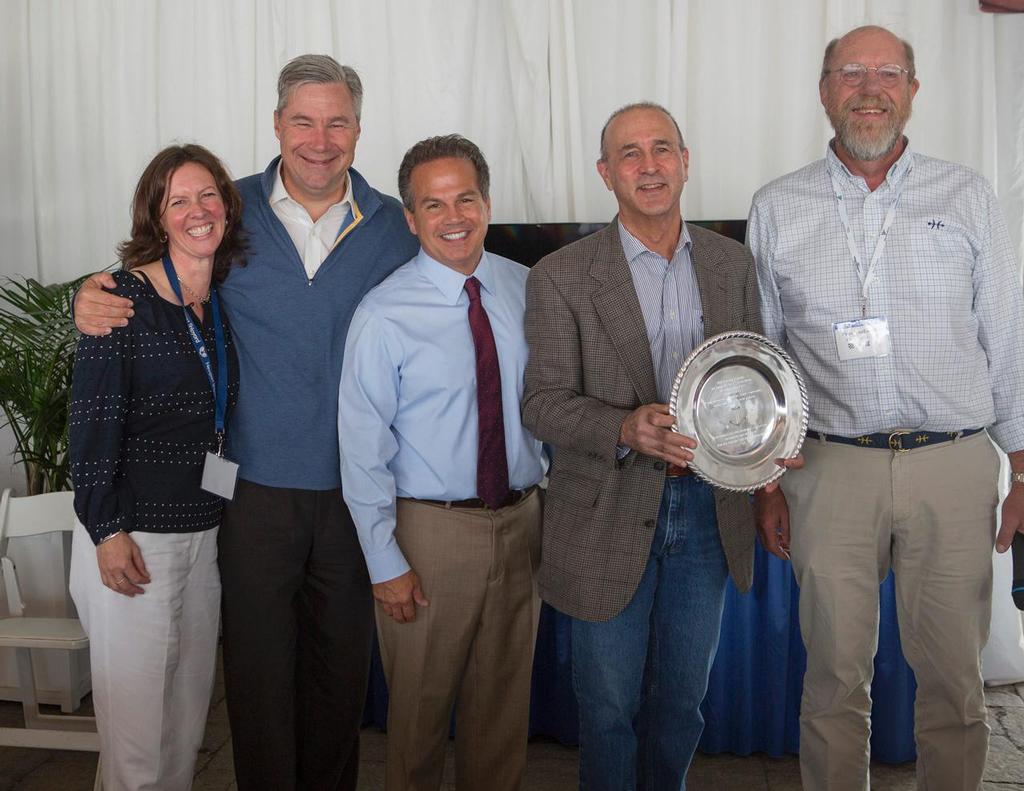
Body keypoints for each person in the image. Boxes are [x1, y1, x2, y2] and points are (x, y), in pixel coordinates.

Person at [72, 55, 419, 791]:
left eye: (336, 123)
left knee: (337, 687)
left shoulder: (396, 226)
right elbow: (158, 269)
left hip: (357, 494)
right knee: (258, 686)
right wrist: (90, 293)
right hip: (253, 493)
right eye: (303, 121)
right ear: (276, 125)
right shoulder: (232, 211)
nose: (319, 139)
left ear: (359, 130)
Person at [748, 25, 1024, 791]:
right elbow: (766, 354)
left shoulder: (966, 195)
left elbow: (1007, 335)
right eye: (850, 72)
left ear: (912, 90)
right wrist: (768, 481)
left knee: (954, 681)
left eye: (888, 72)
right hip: (830, 468)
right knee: (834, 677)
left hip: (953, 464)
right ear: (824, 89)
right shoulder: (776, 206)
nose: (869, 88)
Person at [522, 102, 797, 790]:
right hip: (606, 511)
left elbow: (755, 382)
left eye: (662, 149)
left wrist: (768, 474)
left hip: (708, 513)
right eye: (631, 154)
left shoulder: (733, 264)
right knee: (608, 705)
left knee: (681, 703)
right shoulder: (561, 274)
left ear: (684, 160)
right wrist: (623, 427)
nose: (649, 166)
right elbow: (541, 403)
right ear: (605, 172)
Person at [338, 135, 545, 791]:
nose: (453, 216)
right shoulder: (383, 313)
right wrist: (383, 561)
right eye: (433, 204)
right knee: (420, 725)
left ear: (486, 202)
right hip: (429, 535)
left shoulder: (528, 289)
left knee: (501, 718)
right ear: (410, 217)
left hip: (520, 525)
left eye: (465, 198)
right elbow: (362, 447)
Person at [68, 143, 244, 791]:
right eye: (178, 200)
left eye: (207, 195)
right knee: (136, 747)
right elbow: (88, 426)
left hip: (202, 533)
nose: (197, 211)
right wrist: (106, 530)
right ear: (156, 215)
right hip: (133, 541)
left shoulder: (219, 300)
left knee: (184, 733)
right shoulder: (119, 300)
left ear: (225, 205)